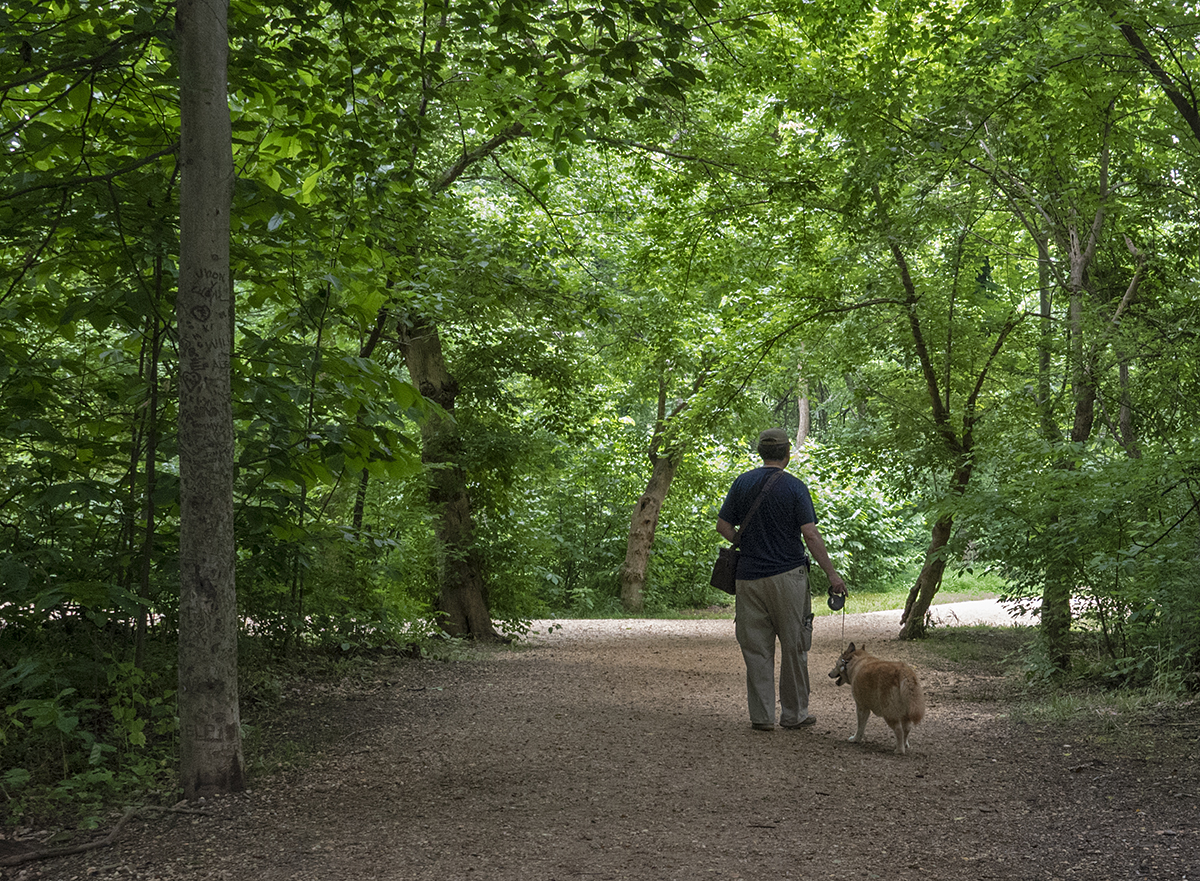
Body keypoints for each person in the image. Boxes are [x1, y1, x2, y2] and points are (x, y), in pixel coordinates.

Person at [716, 428, 848, 731]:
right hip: (788, 577)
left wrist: (746, 542)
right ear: (787, 454)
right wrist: (831, 572)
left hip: (748, 578)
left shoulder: (742, 482)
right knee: (794, 646)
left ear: (761, 452)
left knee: (756, 648)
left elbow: (723, 525)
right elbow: (810, 534)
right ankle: (794, 714)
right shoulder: (795, 487)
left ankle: (762, 717)